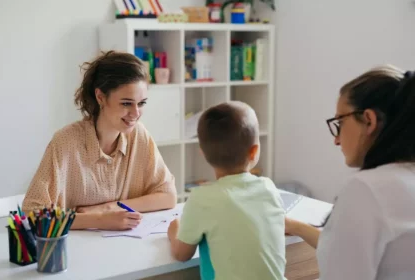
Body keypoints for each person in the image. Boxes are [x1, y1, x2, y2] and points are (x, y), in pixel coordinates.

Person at [285, 65, 415, 279]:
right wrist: (296, 226)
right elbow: (348, 247)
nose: (336, 139)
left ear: (369, 120)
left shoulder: (369, 190)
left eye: (340, 122)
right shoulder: (404, 179)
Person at [22, 51, 177, 230]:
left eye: (141, 103)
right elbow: (33, 215)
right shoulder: (65, 141)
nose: (136, 113)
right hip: (75, 250)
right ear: (100, 97)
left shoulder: (139, 135)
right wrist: (100, 220)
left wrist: (109, 207)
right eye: (126, 103)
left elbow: (168, 196)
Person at [167, 101, 286, 280]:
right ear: (254, 152)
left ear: (203, 153)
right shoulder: (269, 188)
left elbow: (182, 254)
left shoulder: (202, 199)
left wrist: (174, 229)